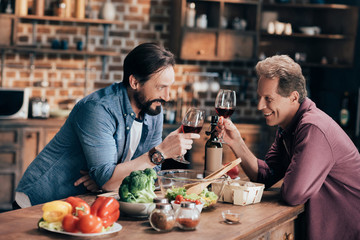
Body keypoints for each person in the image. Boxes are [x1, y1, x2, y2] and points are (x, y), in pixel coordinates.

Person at [15, 43, 200, 208]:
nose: (167, 97)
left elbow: (151, 172)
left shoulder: (153, 110)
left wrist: (109, 179)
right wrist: (160, 153)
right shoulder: (98, 109)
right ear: (134, 82)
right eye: (161, 87)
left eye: (170, 87)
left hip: (82, 203)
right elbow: (124, 174)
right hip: (40, 201)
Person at [218, 55, 360, 240]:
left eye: (268, 98)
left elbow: (294, 194)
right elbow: (266, 175)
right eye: (260, 97)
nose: (260, 106)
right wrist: (236, 141)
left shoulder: (312, 127)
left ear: (293, 97)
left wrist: (292, 175)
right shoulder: (288, 127)